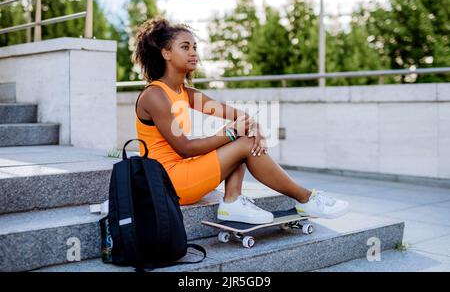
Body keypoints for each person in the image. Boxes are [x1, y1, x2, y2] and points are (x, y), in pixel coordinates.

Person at [133, 16, 349, 225]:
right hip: (169, 182)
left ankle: (233, 200)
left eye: (195, 47)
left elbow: (237, 115)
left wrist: (254, 128)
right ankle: (305, 198)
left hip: (181, 172)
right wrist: (231, 132)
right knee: (241, 140)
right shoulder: (155, 95)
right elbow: (186, 148)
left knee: (243, 135)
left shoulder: (186, 93)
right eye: (185, 47)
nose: (194, 53)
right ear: (166, 53)